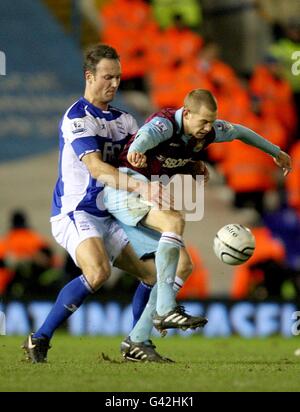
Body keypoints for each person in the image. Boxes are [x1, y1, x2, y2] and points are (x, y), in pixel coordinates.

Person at [22, 44, 205, 364]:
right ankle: (40, 339)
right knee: (98, 272)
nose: (114, 84)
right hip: (77, 211)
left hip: (113, 214)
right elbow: (96, 168)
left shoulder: (126, 121)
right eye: (107, 77)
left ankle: (137, 342)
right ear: (89, 76)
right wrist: (138, 186)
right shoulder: (77, 117)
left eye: (118, 77)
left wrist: (187, 165)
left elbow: (145, 162)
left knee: (154, 274)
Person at [103, 88, 292, 358]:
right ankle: (165, 309)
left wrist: (275, 152)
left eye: (212, 121)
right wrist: (136, 150)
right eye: (203, 121)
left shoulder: (210, 130)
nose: (208, 127)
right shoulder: (164, 123)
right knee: (174, 218)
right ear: (187, 113)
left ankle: (137, 340)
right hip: (123, 187)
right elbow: (146, 135)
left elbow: (240, 132)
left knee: (184, 265)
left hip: (143, 194)